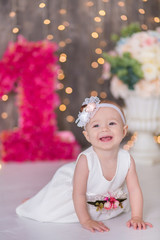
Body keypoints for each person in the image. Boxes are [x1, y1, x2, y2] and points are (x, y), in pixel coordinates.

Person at [16, 96, 153, 232]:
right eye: (96, 125)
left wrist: (137, 216)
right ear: (87, 136)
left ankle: (37, 200)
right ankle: (34, 202)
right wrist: (86, 220)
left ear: (123, 131)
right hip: (73, 190)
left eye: (112, 123)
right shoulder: (85, 160)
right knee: (45, 209)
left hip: (102, 198)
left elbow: (134, 190)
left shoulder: (127, 159)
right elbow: (79, 194)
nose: (104, 129)